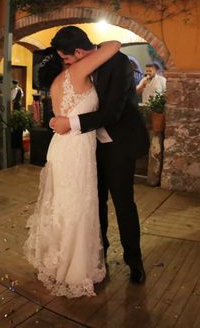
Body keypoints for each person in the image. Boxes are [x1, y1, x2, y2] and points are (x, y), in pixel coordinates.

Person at [49, 26, 150, 285]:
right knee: (94, 204)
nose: (66, 64)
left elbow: (112, 113)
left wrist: (69, 123)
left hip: (118, 143)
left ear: (80, 52)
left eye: (68, 58)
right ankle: (98, 256)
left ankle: (134, 261)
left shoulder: (119, 63)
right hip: (88, 148)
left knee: (123, 204)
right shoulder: (78, 69)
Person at [24, 38, 122, 298]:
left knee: (65, 205)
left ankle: (58, 262)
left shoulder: (58, 81)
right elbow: (115, 44)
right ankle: (74, 270)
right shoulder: (75, 72)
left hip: (63, 146)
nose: (76, 58)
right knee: (77, 206)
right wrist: (90, 49)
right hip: (76, 149)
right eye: (69, 56)